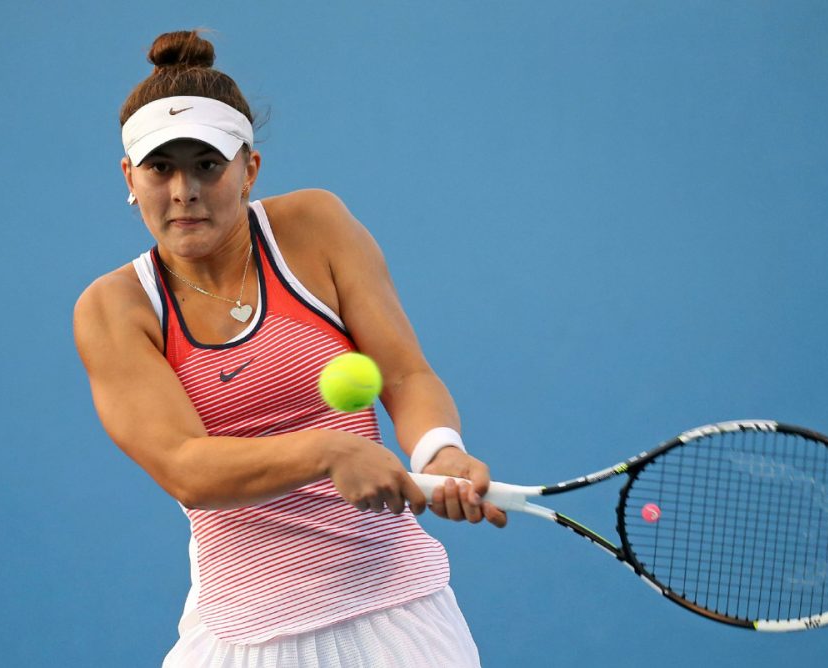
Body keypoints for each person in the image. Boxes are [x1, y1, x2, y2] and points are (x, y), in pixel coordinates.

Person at [73, 30, 506, 667]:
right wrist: (329, 451)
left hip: (396, 619)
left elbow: (407, 374)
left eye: (207, 165)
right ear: (129, 178)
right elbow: (186, 469)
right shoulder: (116, 309)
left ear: (249, 168)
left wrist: (440, 447)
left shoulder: (314, 228)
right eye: (161, 167)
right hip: (239, 636)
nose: (184, 191)